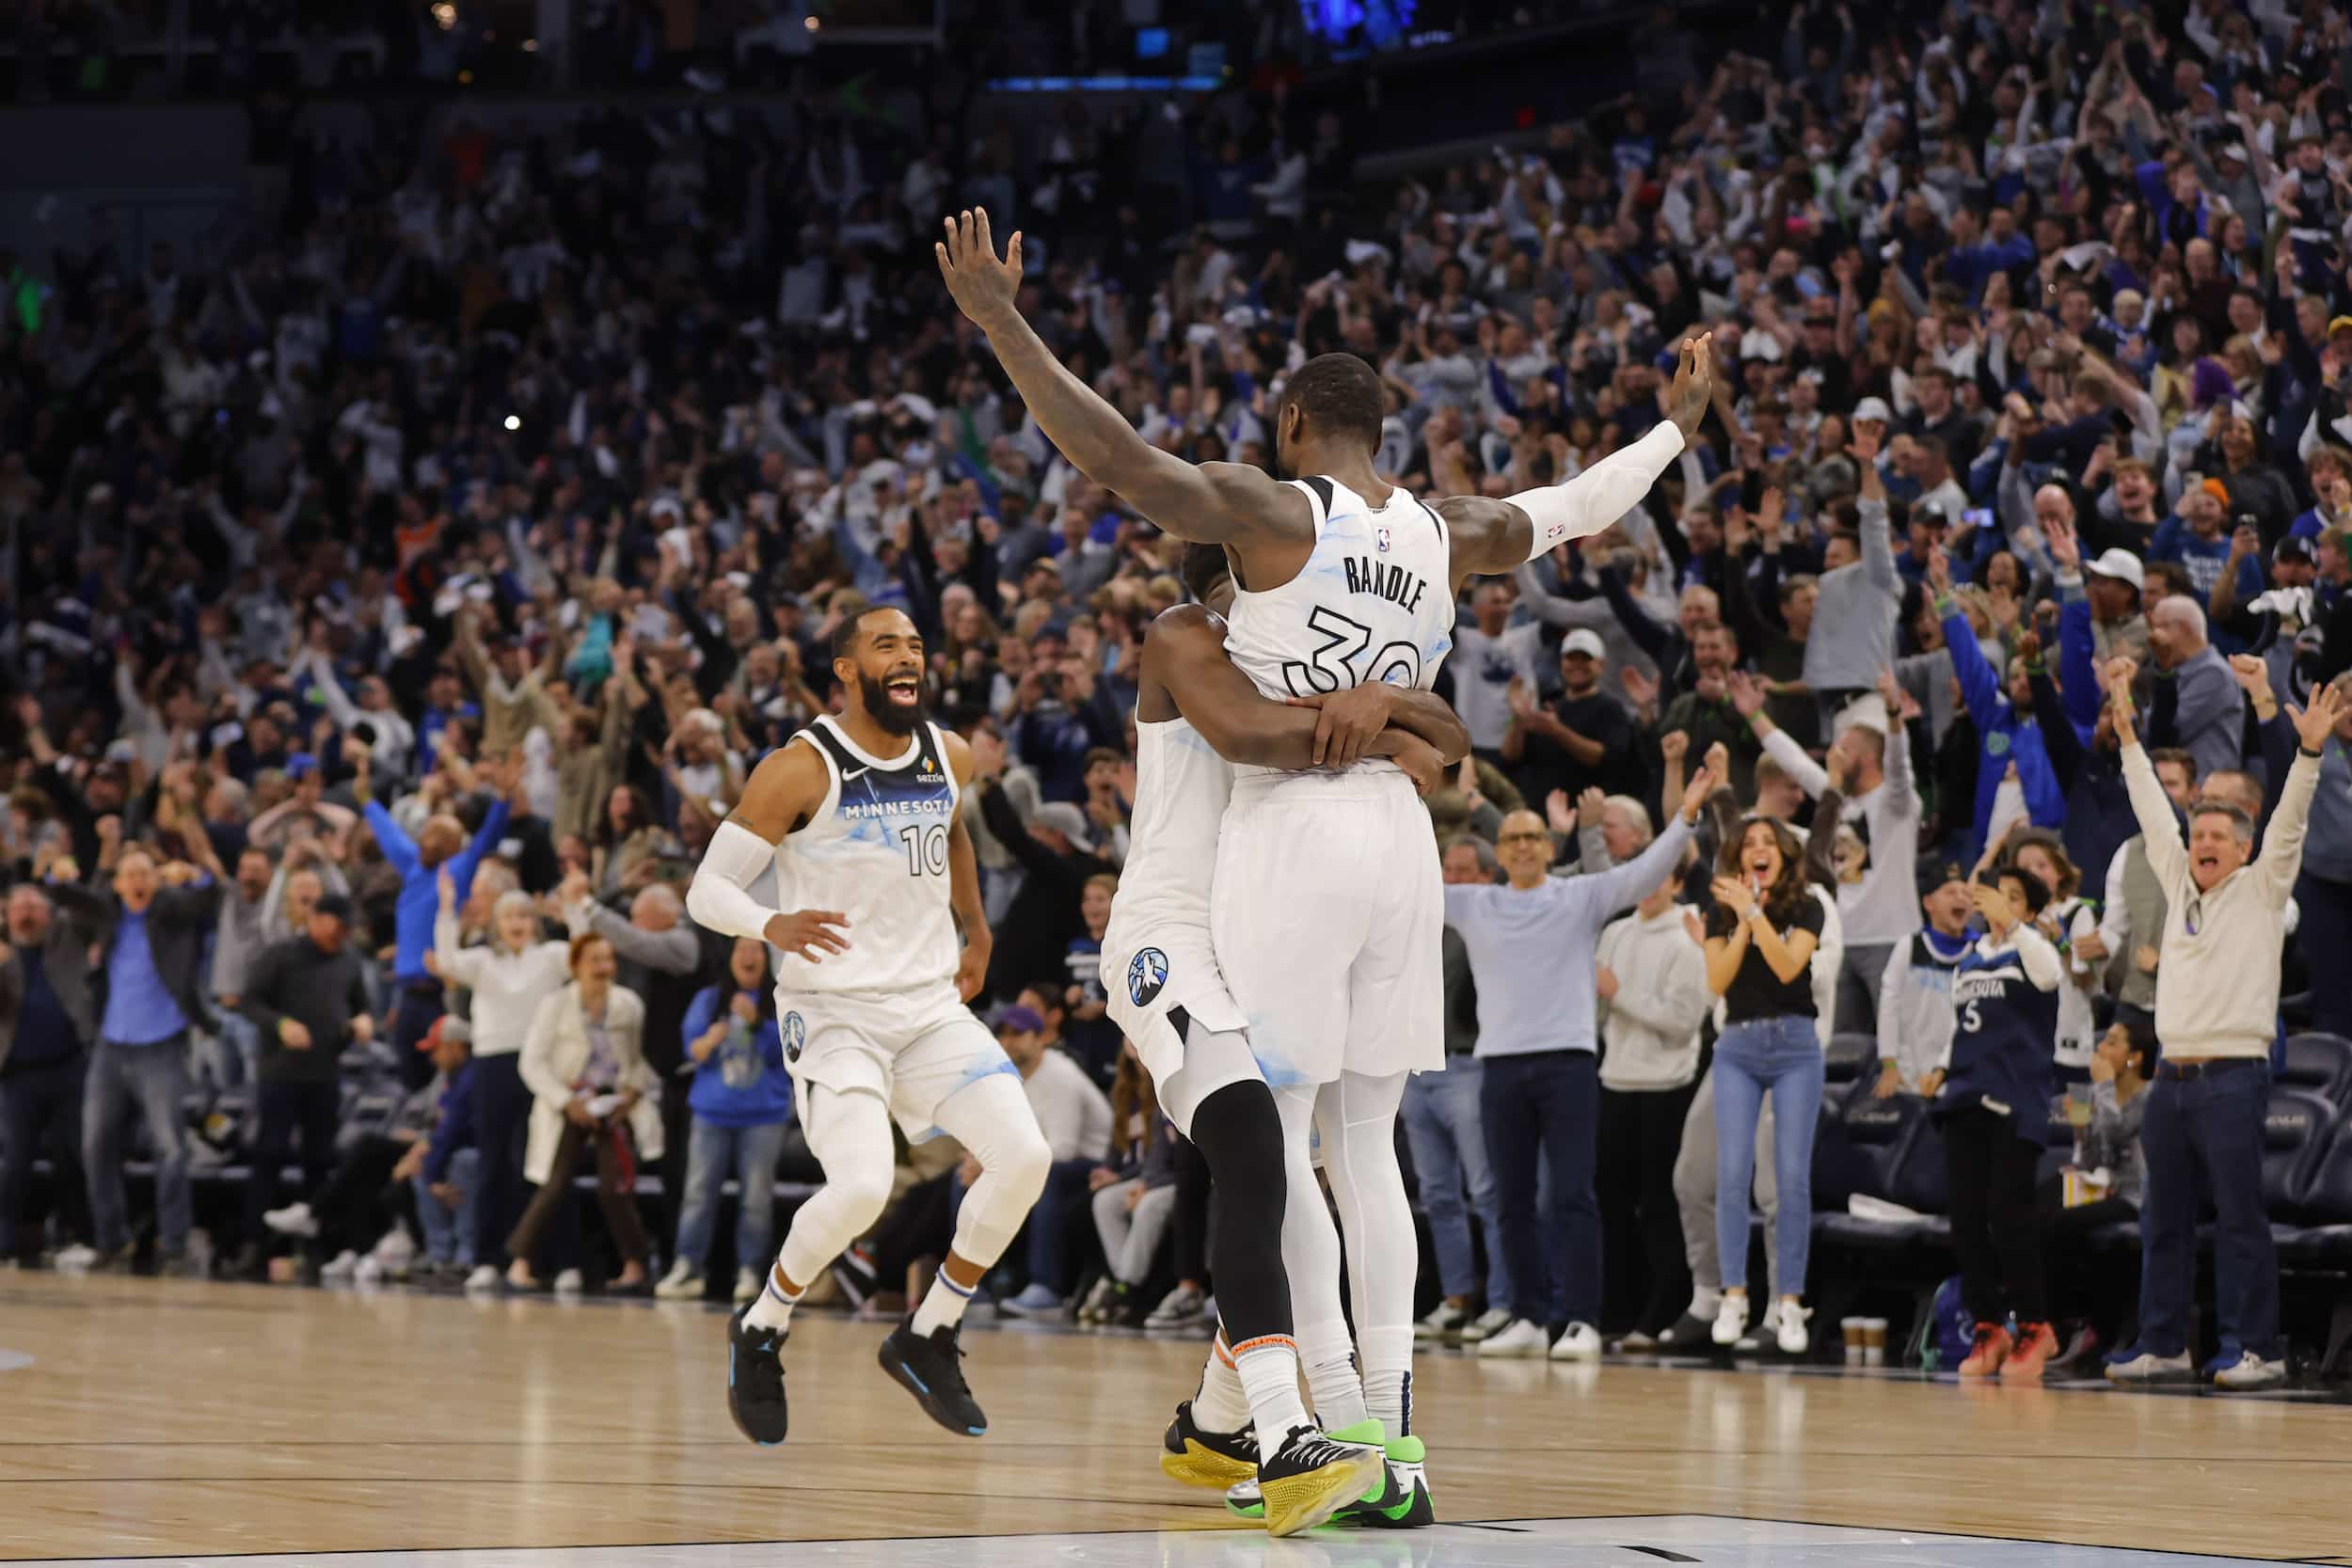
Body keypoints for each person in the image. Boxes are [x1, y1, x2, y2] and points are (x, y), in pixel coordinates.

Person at [938, 207, 1712, 1506]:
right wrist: (1679, 428)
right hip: (1399, 839)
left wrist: (1002, 322)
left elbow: (1122, 460)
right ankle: (1375, 1438)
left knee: (1280, 1141)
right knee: (1362, 1143)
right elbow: (1575, 511)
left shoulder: (1263, 520)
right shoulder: (1436, 529)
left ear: (1295, 422)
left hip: (1293, 837)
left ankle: (1318, 1428)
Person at [1093, 543, 1460, 1532]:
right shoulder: (1187, 635)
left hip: (1248, 923)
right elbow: (1276, 735)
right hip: (1164, 938)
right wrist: (1390, 708)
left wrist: (1387, 710)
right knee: (1259, 1143)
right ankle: (1287, 1431)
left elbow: (1445, 758)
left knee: (1283, 1173)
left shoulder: (1306, 661)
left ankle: (1216, 1425)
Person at [686, 604, 1051, 1447]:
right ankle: (764, 1322)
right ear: (847, 669)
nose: (907, 655)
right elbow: (710, 891)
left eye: (916, 644)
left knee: (1025, 1158)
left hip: (926, 1005)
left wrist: (979, 924)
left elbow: (952, 830)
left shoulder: (947, 752)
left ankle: (929, 1332)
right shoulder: (800, 768)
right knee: (860, 1186)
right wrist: (771, 925)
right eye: (886, 643)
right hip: (833, 1011)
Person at [2101, 661, 2336, 1390]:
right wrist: (2127, 728)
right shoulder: (2176, 880)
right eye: (2195, 830)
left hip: (2235, 1075)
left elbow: (2291, 818)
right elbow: (2147, 804)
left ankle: (2256, 1347)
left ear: (2242, 846)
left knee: (2240, 1220)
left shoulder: (2265, 888)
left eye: (2215, 834)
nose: (2200, 841)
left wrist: (2308, 752)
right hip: (2169, 1077)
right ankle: (2165, 1342)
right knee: (2161, 1223)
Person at [1456, 767, 1713, 1361]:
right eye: (1513, 838)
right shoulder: (1475, 904)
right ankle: (1524, 1313)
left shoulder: (1579, 896)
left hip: (1569, 1064)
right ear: (1499, 852)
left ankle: (1580, 1319)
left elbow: (1645, 872)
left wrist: (1687, 816)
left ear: (1550, 849)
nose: (1523, 846)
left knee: (1571, 1195)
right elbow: (1403, 883)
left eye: (1534, 837)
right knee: (1511, 1198)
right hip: (1500, 1067)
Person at [49, 843, 224, 1273]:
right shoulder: (108, 912)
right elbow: (65, 894)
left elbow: (211, 894)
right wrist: (58, 874)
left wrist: (195, 874)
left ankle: (175, 1243)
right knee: (95, 1145)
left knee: (171, 1148)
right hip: (111, 1045)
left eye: (146, 874)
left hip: (161, 1044)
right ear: (119, 883)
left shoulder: (171, 913)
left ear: (157, 879)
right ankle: (112, 1240)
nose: (138, 882)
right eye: (130, 875)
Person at [1702, 816, 1826, 1353]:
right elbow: (1718, 980)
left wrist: (1753, 913)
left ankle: (1790, 1302)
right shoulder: (1719, 910)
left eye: (1767, 842)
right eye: (1748, 842)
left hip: (1796, 1045)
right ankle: (1734, 1295)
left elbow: (1786, 967)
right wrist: (1742, 921)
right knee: (1732, 1174)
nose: (1758, 850)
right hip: (1738, 1046)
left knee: (1793, 1178)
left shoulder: (1808, 904)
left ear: (1784, 854)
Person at [1936, 866, 2065, 1382]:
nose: (1998, 906)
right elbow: (1963, 1027)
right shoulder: (1967, 960)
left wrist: (2014, 926)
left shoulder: (2034, 952)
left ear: (2030, 912)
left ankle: (2036, 1324)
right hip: (1965, 1098)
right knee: (1966, 1220)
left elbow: (2052, 976)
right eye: (1995, 897)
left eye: (2012, 899)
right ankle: (1989, 1324)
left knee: (2009, 1216)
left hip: (2016, 1101)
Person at [1594, 840, 1713, 1349]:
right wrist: (1603, 1002)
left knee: (1662, 1205)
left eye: (1660, 876)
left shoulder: (1687, 941)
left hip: (1667, 1088)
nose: (1649, 886)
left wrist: (1618, 995)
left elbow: (1682, 1023)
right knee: (1612, 1205)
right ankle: (1619, 1311)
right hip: (1614, 1081)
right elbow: (1597, 1010)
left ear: (1678, 882)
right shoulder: (1616, 932)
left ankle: (1662, 1308)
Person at [432, 873, 572, 1292]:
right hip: (491, 1067)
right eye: (508, 915)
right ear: (495, 922)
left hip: (539, 1066)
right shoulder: (483, 960)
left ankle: (547, 1260)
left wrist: (577, 911)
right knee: (493, 1164)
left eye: (524, 914)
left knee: (540, 1163)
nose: (516, 921)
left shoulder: (550, 955)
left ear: (536, 921)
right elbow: (448, 961)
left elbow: (582, 955)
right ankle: (488, 1259)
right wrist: (445, 909)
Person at [504, 930, 660, 1295]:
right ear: (575, 966)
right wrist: (565, 1101)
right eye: (594, 960)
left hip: (615, 1104)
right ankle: (520, 1264)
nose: (603, 968)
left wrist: (631, 1094)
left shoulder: (629, 1005)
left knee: (614, 1187)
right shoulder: (555, 1005)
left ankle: (635, 1266)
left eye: (608, 959)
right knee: (555, 1183)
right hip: (570, 1102)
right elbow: (532, 1063)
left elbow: (641, 1060)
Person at [355, 748, 516, 1085]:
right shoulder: (414, 865)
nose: (427, 839)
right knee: (406, 1072)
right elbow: (389, 834)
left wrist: (504, 797)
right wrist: (366, 798)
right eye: (426, 833)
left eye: (436, 836)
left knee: (449, 1072)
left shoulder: (456, 870)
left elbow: (488, 837)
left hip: (439, 992)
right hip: (406, 993)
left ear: (453, 845)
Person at [235, 894, 374, 1276]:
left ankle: (317, 1248)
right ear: (315, 919)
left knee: (320, 1160)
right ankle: (252, 1245)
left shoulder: (348, 961)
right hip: (280, 1073)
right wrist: (281, 1024)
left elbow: (360, 1004)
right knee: (270, 1156)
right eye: (335, 926)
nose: (340, 935)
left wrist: (362, 1021)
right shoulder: (281, 954)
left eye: (346, 929)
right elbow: (248, 1002)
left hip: (325, 1073)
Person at [1410, 836, 1511, 1342]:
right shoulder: (1422, 922)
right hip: (1416, 1069)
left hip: (1469, 1064)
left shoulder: (1487, 924)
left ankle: (1502, 1302)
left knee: (1486, 1188)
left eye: (1466, 870)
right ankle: (1455, 1297)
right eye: (1447, 868)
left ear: (1488, 876)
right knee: (1438, 1193)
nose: (1453, 877)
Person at [660, 936, 794, 1306]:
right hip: (710, 1113)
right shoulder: (708, 1000)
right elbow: (693, 1050)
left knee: (756, 1199)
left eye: (755, 950)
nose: (747, 956)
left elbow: (789, 1055)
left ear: (766, 960)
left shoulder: (781, 1002)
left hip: (763, 1116)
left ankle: (750, 1271)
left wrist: (757, 1025)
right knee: (698, 1194)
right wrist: (707, 1041)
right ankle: (688, 1268)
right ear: (732, 959)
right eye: (740, 950)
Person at [0, 883, 96, 1265]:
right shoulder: (4, 956)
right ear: (6, 916)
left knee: (71, 1155)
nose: (26, 914)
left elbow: (97, 909)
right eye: (19, 908)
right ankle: (4, 1242)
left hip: (70, 1066)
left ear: (49, 915)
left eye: (34, 907)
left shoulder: (67, 944)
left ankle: (80, 1238)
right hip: (18, 1074)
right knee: (14, 1161)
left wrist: (62, 884)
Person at [995, 1004, 1113, 1315]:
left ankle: (1045, 1286)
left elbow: (1064, 1149)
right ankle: (975, 1287)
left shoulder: (1060, 1075)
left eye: (1018, 1034)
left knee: (1045, 1177)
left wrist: (1008, 1164)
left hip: (1094, 1163)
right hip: (1043, 1161)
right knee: (966, 1177)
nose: (1008, 1042)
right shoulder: (1006, 1079)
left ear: (1040, 1038)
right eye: (1003, 1035)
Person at [1082, 1047, 1180, 1324]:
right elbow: (1116, 1147)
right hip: (1145, 1177)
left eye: (1141, 1061)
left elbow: (1161, 1152)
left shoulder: (1165, 1090)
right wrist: (1107, 1171)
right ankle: (1122, 1283)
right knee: (1104, 1201)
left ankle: (1124, 1286)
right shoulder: (1124, 1095)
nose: (1139, 1068)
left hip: (1171, 1177)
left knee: (1148, 1206)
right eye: (1132, 1063)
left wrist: (1145, 1183)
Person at [1874, 863, 1973, 1098]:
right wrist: (1889, 1064)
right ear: (1929, 903)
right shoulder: (1910, 947)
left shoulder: (1980, 951)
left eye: (1966, 893)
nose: (1960, 898)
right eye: (1950, 892)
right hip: (1911, 1074)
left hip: (1960, 1076)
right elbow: (1889, 1004)